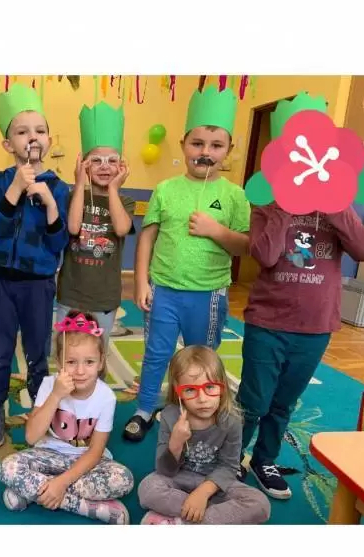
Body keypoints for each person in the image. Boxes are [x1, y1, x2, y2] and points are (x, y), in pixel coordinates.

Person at [236, 94, 364, 499]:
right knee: (253, 401)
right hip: (268, 322)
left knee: (284, 402)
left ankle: (264, 458)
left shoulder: (340, 205)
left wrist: (336, 208)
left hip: (315, 326)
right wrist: (284, 206)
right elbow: (264, 255)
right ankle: (230, 458)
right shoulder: (266, 203)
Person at [125, 85, 251, 442]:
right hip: (163, 289)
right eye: (197, 143)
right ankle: (144, 408)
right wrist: (141, 281)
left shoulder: (235, 195)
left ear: (229, 150)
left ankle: (198, 412)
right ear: (183, 145)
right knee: (156, 353)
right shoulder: (165, 189)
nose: (205, 152)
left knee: (202, 357)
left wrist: (215, 230)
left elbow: (244, 246)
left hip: (208, 294)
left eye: (216, 145)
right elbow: (147, 236)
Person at [0, 83, 70, 448]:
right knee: (0, 352)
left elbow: (59, 243)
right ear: (8, 144)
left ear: (49, 139)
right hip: (1, 281)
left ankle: (41, 408)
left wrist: (50, 205)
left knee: (37, 352)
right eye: (22, 132)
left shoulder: (59, 188)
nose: (32, 137)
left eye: (40, 130)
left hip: (38, 284)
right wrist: (15, 188)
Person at [0, 311, 134, 524]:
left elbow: (95, 451)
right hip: (47, 455)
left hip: (85, 463)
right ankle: (83, 506)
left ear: (100, 362)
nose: (80, 371)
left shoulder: (106, 396)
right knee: (8, 467)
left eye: (89, 362)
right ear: (59, 363)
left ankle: (35, 492)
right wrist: (56, 395)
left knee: (123, 479)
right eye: (71, 362)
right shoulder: (49, 385)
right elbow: (31, 437)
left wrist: (61, 483)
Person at [137, 345, 271, 524]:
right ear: (178, 391)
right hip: (179, 477)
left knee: (260, 504)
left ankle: (182, 518)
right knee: (148, 488)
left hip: (215, 484)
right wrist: (175, 443)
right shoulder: (170, 416)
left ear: (222, 386)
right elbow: (164, 470)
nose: (202, 399)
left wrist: (202, 493)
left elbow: (229, 467)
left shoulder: (232, 421)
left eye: (210, 387)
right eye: (190, 390)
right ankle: (200, 517)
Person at [56, 101, 135, 347]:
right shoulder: (73, 196)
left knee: (97, 352)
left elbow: (121, 229)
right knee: (67, 351)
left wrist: (113, 189)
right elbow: (73, 228)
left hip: (104, 298)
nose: (104, 166)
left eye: (112, 161)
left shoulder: (124, 201)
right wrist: (80, 183)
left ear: (121, 167)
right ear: (84, 165)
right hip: (71, 295)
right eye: (96, 160)